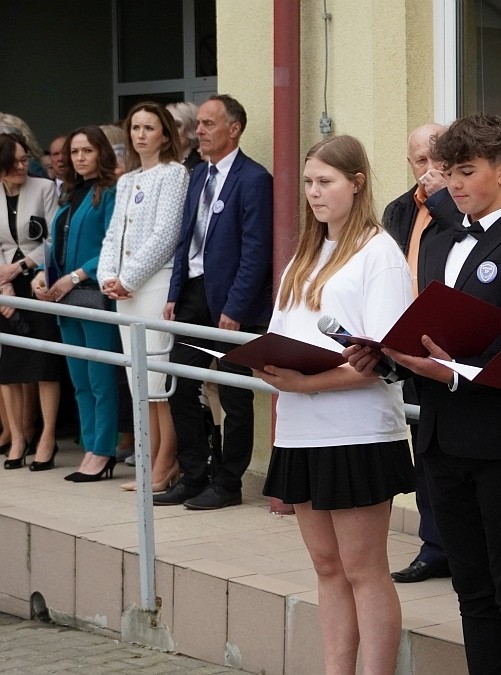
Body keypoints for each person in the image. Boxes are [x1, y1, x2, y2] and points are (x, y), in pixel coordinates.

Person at [345, 114, 501, 674]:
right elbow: (430, 335)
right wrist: (388, 359)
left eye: (466, 171)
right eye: (445, 172)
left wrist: (458, 373)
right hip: (439, 435)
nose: (452, 183)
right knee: (471, 586)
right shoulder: (436, 240)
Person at [260, 134, 415, 675]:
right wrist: (266, 365)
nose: (314, 193)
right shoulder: (306, 254)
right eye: (308, 182)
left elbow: (379, 359)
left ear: (358, 182)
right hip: (301, 432)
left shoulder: (380, 253)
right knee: (326, 566)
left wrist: (304, 384)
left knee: (363, 567)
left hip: (356, 433)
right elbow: (281, 332)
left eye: (325, 182)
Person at [155, 94, 274, 510]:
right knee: (180, 386)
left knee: (236, 396)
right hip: (192, 296)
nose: (199, 131)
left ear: (234, 128)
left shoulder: (254, 179)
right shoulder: (197, 176)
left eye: (207, 124)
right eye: (199, 124)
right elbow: (185, 240)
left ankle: (228, 482)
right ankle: (193, 474)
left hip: (230, 306)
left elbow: (257, 250)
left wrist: (236, 308)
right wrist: (174, 294)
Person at [379, 122, 462, 584]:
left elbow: (470, 243)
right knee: (425, 452)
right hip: (408, 344)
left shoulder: (463, 206)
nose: (428, 169)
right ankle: (435, 547)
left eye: (437, 158)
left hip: (451, 347)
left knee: (457, 454)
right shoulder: (397, 209)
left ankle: (463, 545)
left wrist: (443, 198)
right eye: (419, 160)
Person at [97, 101, 189, 492]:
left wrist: (130, 277)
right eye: (135, 127)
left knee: (156, 380)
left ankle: (168, 463)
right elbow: (114, 233)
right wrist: (107, 277)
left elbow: (166, 234)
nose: (140, 135)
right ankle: (149, 462)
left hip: (153, 284)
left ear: (165, 134)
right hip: (125, 289)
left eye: (149, 128)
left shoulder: (175, 174)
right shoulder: (127, 179)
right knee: (138, 381)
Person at [32, 126, 122, 481]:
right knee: (80, 380)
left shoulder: (110, 192)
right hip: (63, 297)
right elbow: (57, 243)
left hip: (93, 293)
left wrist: (76, 275)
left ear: (101, 152)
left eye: (87, 151)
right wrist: (42, 272)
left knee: (100, 378)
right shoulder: (70, 194)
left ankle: (103, 451)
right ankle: (90, 447)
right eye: (75, 152)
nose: (80, 158)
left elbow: (112, 248)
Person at [0, 132, 64, 471]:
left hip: (39, 279)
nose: (25, 165)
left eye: (26, 159)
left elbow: (54, 239)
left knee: (43, 364)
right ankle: (18, 439)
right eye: (17, 160)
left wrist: (21, 267)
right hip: (3, 287)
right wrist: (3, 287)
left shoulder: (44, 188)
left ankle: (47, 437)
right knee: (9, 368)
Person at [167, 101, 203, 173]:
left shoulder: (201, 167)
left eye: (177, 125)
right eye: (167, 125)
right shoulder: (157, 164)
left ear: (192, 129)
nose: (170, 131)